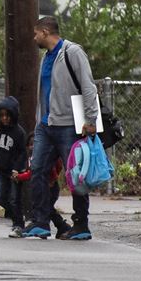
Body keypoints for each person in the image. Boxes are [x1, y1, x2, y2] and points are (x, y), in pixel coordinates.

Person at [23, 15, 97, 240]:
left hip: (68, 125)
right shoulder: (46, 58)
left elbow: (88, 86)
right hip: (45, 125)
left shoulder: (72, 52)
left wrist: (91, 120)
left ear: (45, 32)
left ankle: (81, 225)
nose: (34, 37)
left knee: (75, 175)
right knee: (38, 170)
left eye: (36, 33)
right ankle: (40, 222)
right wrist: (38, 120)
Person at [13, 137, 73, 239]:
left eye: (34, 144)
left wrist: (19, 176)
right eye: (30, 145)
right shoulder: (31, 157)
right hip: (43, 185)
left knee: (44, 207)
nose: (33, 147)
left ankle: (46, 225)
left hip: (50, 186)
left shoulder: (42, 155)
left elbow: (36, 173)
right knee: (47, 208)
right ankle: (60, 226)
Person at [0, 96, 27, 236]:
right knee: (0, 197)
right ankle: (15, 215)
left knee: (14, 199)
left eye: (7, 115)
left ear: (13, 115)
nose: (4, 118)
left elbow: (23, 153)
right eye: (1, 115)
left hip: (15, 172)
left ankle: (18, 225)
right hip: (2, 171)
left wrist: (17, 168)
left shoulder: (19, 133)